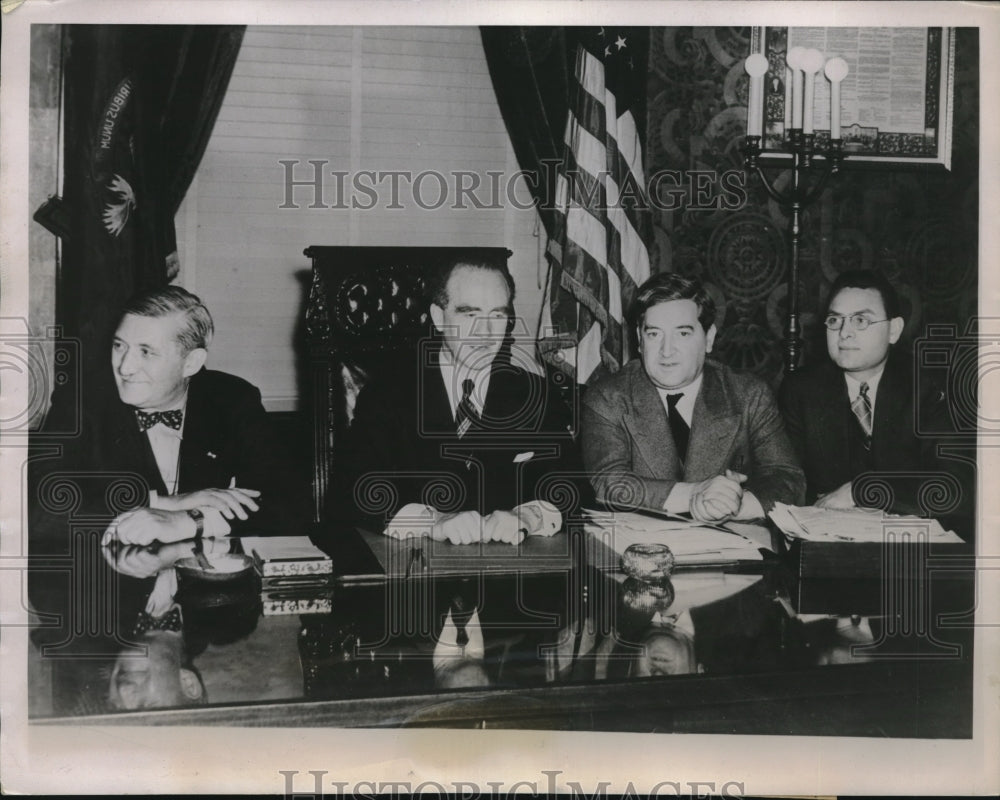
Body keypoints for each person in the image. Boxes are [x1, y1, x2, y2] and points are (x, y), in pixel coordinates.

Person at [31, 285, 309, 553]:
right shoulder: (81, 400)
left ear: (191, 363)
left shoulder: (231, 399)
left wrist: (191, 522)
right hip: (115, 588)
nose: (125, 367)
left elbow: (291, 503)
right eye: (119, 346)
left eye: (146, 352)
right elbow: (35, 509)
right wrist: (167, 503)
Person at [331, 256, 583, 545]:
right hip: (418, 572)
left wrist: (529, 516)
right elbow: (351, 491)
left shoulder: (536, 395)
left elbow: (572, 485)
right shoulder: (388, 394)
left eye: (498, 315)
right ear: (439, 317)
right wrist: (433, 521)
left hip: (512, 572)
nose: (486, 333)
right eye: (470, 314)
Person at [581, 272, 804, 522]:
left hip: (733, 549)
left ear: (708, 339)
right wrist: (695, 494)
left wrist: (735, 504)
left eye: (683, 334)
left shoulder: (748, 394)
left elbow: (788, 479)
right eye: (654, 334)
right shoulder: (608, 396)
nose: (666, 351)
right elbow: (608, 482)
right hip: (640, 550)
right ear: (639, 340)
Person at [777, 270, 971, 525]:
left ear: (894, 330)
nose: (844, 333)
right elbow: (788, 480)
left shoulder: (930, 388)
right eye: (835, 320)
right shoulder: (801, 389)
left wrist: (863, 490)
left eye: (860, 321)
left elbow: (958, 489)